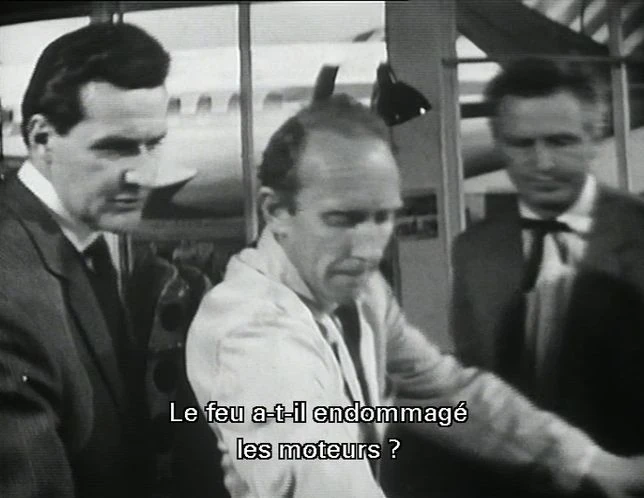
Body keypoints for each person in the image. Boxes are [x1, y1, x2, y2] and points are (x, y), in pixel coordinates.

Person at [186, 94, 644, 498]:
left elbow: (448, 394)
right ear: (275, 211)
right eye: (342, 219)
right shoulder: (259, 334)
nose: (368, 248)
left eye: (383, 217)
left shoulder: (361, 291)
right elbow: (324, 482)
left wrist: (590, 463)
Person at [450, 58, 644, 495]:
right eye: (522, 144)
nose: (542, 163)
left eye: (561, 141)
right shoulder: (474, 251)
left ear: (595, 138)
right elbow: (476, 385)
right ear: (499, 143)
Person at [0, 23, 170, 497]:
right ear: (41, 138)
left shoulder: (83, 242)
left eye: (153, 144)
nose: (143, 175)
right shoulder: (8, 293)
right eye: (115, 148)